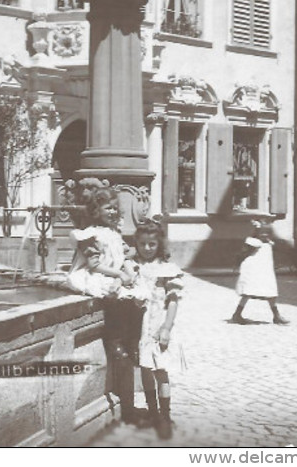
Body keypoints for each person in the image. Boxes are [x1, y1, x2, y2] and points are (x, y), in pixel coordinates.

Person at [66, 182, 146, 424]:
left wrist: (128, 266)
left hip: (114, 276)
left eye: (114, 208)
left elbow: (120, 257)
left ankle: (129, 395)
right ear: (95, 211)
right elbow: (94, 265)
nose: (112, 212)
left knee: (133, 336)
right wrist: (120, 275)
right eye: (106, 209)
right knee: (117, 342)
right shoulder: (89, 234)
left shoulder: (114, 233)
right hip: (98, 276)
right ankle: (128, 408)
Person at [133, 217, 185, 439]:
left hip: (159, 326)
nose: (147, 248)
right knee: (145, 369)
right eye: (142, 243)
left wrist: (166, 327)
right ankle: (152, 411)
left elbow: (173, 301)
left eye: (151, 244)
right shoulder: (135, 266)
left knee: (161, 371)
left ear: (159, 245)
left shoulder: (166, 269)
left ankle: (165, 415)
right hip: (141, 328)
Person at [230, 221, 289, 325]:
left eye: (267, 233)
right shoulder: (253, 242)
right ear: (257, 233)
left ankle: (276, 316)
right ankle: (237, 314)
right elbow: (246, 254)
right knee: (247, 292)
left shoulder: (269, 243)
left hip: (264, 272)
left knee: (271, 292)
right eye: (262, 233)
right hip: (253, 272)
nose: (264, 235)